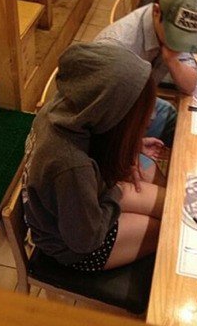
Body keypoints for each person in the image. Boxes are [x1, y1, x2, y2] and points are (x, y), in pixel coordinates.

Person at [22, 43, 166, 270]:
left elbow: (92, 144)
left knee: (171, 207)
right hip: (75, 245)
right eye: (142, 114)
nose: (152, 117)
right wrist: (115, 192)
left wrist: (131, 144)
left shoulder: (61, 111)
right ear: (112, 114)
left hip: (80, 203)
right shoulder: (70, 165)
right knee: (167, 229)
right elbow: (86, 240)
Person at [94, 0, 197, 180]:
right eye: (176, 36)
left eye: (185, 39)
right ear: (156, 11)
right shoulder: (117, 51)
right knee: (164, 188)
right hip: (107, 131)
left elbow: (189, 86)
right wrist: (131, 149)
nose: (179, 45)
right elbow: (98, 123)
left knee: (186, 129)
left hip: (138, 108)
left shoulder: (174, 24)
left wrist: (172, 60)